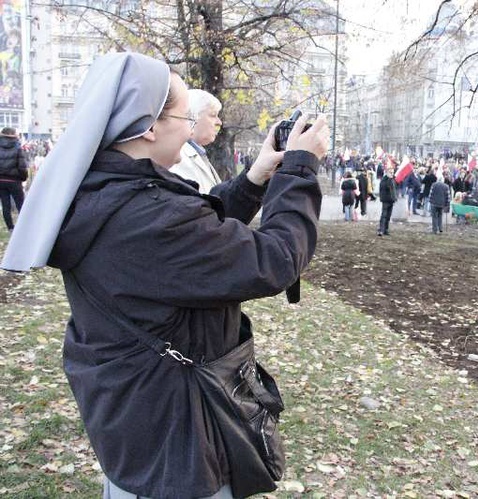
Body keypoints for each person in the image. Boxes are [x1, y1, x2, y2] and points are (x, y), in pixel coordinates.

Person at [1, 52, 329, 498]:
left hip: (139, 424)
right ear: (149, 126)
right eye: (185, 116)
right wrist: (300, 168)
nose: (190, 128)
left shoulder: (105, 192)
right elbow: (274, 259)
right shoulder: (147, 216)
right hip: (178, 446)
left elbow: (191, 246)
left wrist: (254, 179)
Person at [169, 89, 223, 193]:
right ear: (193, 116)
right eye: (212, 115)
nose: (219, 122)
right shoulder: (178, 157)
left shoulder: (198, 153)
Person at [0, 126, 27, 231]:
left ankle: (10, 227)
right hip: (14, 180)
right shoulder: (17, 148)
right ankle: (23, 227)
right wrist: (23, 178)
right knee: (21, 204)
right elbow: (22, 166)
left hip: (1, 181)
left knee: (5, 205)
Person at [378, 166, 396, 236]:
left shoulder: (392, 179)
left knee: (388, 216)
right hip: (385, 200)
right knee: (384, 215)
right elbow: (385, 187)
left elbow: (394, 189)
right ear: (387, 172)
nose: (392, 174)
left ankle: (386, 229)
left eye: (392, 172)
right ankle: (381, 230)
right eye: (390, 172)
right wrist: (389, 179)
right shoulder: (384, 180)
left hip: (391, 200)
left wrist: (395, 198)